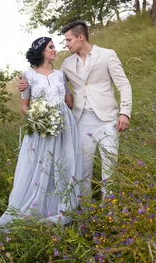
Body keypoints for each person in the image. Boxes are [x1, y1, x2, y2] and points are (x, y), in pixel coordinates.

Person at [18, 21, 132, 200]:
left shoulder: (108, 55)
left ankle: (111, 210)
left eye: (68, 40)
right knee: (82, 170)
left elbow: (124, 85)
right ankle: (84, 209)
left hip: (108, 119)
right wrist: (25, 83)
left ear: (81, 37)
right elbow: (49, 80)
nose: (66, 44)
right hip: (80, 121)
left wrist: (124, 112)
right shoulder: (67, 65)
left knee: (110, 168)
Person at [0, 37, 82, 233]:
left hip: (65, 126)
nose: (55, 50)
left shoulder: (61, 75)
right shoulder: (27, 76)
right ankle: (37, 208)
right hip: (42, 127)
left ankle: (63, 205)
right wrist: (39, 116)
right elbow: (25, 108)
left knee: (64, 163)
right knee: (42, 166)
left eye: (54, 47)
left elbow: (69, 102)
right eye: (51, 47)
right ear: (42, 51)